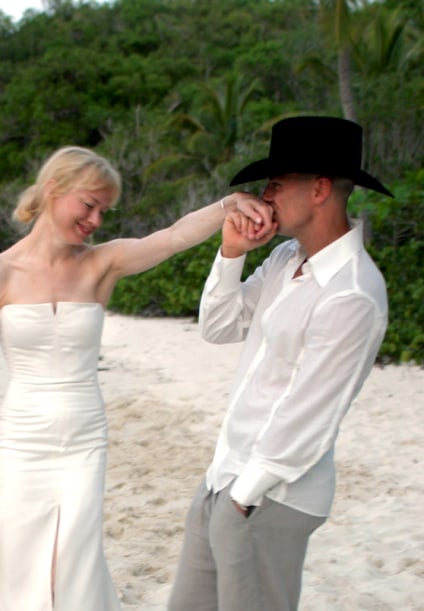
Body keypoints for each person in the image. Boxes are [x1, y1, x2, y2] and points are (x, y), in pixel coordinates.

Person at [0, 145, 273, 610]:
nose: (96, 219)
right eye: (89, 204)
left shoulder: (101, 264)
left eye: (103, 210)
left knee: (75, 557)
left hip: (84, 438)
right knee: (19, 562)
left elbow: (174, 237)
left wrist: (228, 205)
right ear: (53, 188)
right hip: (21, 440)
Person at [167, 116, 394, 611]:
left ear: (319, 189)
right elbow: (218, 326)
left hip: (269, 497)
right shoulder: (285, 258)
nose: (264, 197)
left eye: (275, 184)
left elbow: (310, 413)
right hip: (224, 476)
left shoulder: (353, 292)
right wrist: (231, 253)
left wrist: (242, 499)